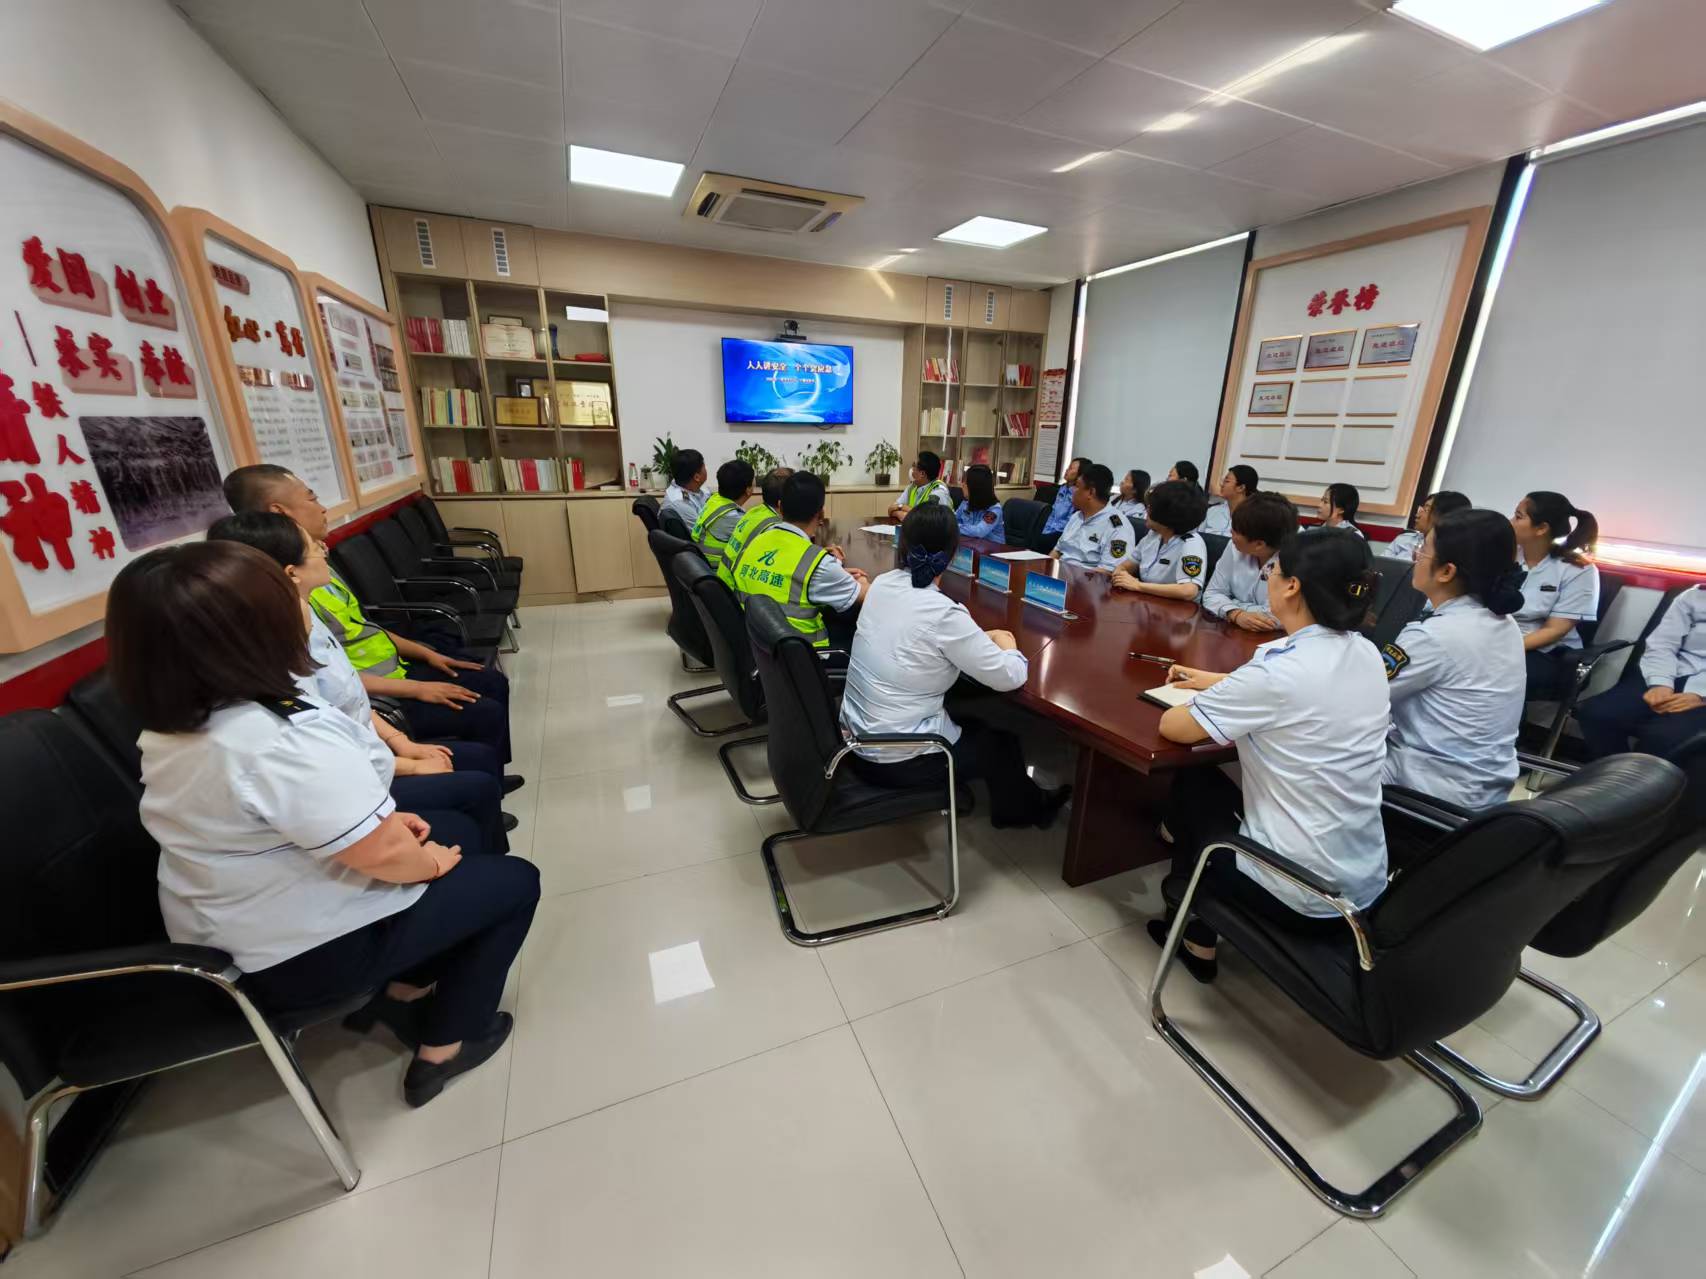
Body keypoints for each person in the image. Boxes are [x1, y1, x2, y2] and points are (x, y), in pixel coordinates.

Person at [108, 541, 540, 1108]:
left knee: (454, 833)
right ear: (252, 632)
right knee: (514, 882)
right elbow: (386, 856)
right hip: (297, 957)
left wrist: (385, 826)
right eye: (284, 599)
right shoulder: (277, 739)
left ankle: (407, 990)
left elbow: (302, 820)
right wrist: (426, 862)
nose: (302, 606)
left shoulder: (180, 723)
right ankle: (448, 1046)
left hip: (234, 925)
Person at [1147, 528, 1389, 982]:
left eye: (1273, 570)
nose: (1268, 576)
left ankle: (1194, 932)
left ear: (1292, 586)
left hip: (1297, 893)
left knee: (1194, 784)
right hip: (1362, 888)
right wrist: (1217, 682)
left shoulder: (1278, 672)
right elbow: (1297, 693)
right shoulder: (1365, 652)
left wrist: (1212, 695)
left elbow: (1174, 727)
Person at [206, 511, 513, 852]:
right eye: (313, 547)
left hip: (367, 747)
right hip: (353, 777)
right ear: (291, 573)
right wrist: (408, 764)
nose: (324, 548)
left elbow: (347, 691)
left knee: (479, 757)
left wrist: (400, 742)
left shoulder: (307, 615)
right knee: (475, 787)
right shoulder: (274, 656)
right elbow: (324, 753)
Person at [222, 466, 515, 768]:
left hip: (388, 675)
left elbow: (362, 627)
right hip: (377, 699)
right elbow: (333, 688)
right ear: (279, 512)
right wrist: (416, 698)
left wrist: (426, 653)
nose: (322, 508)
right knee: (483, 711)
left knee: (485, 678)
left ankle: (493, 772)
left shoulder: (316, 567)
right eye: (312, 498)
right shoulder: (291, 597)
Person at [841, 504, 1071, 828]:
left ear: (902, 545)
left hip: (853, 741)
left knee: (967, 711)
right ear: (952, 555)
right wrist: (1007, 645)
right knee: (1000, 743)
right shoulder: (944, 613)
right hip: (895, 761)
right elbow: (1010, 677)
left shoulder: (882, 584)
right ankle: (1025, 814)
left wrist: (970, 640)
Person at [1381, 509, 1528, 810]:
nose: (1415, 555)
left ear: (1446, 571)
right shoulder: (1502, 621)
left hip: (1428, 789)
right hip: (1482, 787)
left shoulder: (1434, 636)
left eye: (1423, 549)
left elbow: (1362, 699)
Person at [732, 470, 869, 648]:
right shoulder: (818, 564)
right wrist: (861, 580)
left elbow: (788, 572)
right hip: (803, 655)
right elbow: (866, 595)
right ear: (821, 514)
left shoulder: (757, 539)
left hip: (755, 644)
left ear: (780, 507)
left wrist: (837, 574)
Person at [1577, 586, 1706, 760]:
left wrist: (1702, 697)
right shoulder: (1694, 595)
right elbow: (1663, 643)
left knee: (1665, 737)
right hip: (1675, 669)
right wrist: (1661, 683)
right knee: (1597, 715)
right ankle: (1615, 771)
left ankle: (1644, 776)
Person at [1511, 490, 1600, 700]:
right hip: (1499, 640)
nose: (1510, 522)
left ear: (1541, 528)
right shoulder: (1505, 555)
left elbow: (1554, 630)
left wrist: (1504, 648)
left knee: (1494, 674)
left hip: (1546, 652)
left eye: (1518, 517)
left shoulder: (1578, 570)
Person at [1201, 490, 1295, 630]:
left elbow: (1281, 616)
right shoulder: (1234, 547)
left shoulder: (1297, 558)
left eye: (1235, 531)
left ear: (1259, 544)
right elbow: (1212, 594)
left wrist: (1233, 602)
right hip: (1232, 631)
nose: (1230, 533)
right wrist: (1235, 613)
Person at [1109, 478, 1209, 600]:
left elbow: (1188, 591)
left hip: (1175, 607)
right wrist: (1120, 574)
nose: (1146, 511)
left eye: (1150, 507)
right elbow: (1127, 565)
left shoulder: (1191, 543)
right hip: (1147, 601)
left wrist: (1138, 586)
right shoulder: (1153, 535)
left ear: (1166, 516)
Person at [720, 466, 791, 591]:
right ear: (782, 502)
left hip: (725, 585)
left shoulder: (755, 512)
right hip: (736, 594)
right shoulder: (774, 528)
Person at [1050, 463, 1131, 571]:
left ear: (1091, 492)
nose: (1073, 490)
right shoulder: (1076, 517)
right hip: (1060, 574)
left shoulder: (1117, 528)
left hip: (1087, 579)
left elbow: (1107, 571)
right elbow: (1057, 551)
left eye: (1077, 486)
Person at [692, 458, 754, 574]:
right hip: (717, 573)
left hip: (702, 566)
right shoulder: (731, 517)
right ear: (748, 490)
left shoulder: (715, 499)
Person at [1387, 490, 1470, 561]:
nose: (1417, 515)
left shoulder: (1457, 552)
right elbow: (1381, 567)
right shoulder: (1404, 539)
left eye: (1427, 510)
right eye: (1422, 509)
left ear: (1446, 516)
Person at [1040, 456, 1090, 547]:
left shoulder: (1079, 496)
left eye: (1071, 468)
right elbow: (1051, 514)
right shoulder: (1059, 489)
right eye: (1068, 467)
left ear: (1080, 474)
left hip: (1061, 535)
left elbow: (1071, 522)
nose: (1067, 470)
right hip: (1046, 531)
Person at [888, 451, 951, 519]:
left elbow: (926, 519)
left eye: (913, 466)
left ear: (922, 474)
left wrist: (903, 508)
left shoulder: (938, 491)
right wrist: (900, 511)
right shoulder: (912, 487)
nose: (911, 469)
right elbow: (891, 509)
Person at [1201, 464, 1258, 537]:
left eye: (1227, 481)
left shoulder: (1254, 517)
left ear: (1241, 488)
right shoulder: (1212, 511)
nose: (1221, 485)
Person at [954, 464, 1005, 543]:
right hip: (971, 545)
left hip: (991, 548)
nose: (962, 485)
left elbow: (979, 532)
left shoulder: (994, 510)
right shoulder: (966, 503)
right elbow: (952, 520)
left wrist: (953, 527)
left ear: (975, 487)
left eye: (965, 482)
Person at [661, 449, 708, 531]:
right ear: (697, 477)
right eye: (704, 467)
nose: (706, 469)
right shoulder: (680, 502)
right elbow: (703, 533)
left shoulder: (692, 488)